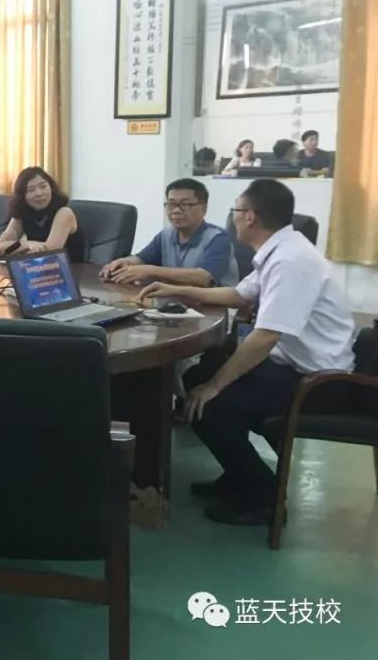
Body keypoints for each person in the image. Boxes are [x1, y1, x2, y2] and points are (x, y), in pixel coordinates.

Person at [139, 179, 355, 526]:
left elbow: (265, 336)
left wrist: (216, 386)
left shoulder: (290, 261)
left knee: (211, 404)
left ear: (250, 216)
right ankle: (239, 475)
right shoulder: (280, 249)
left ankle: (265, 497)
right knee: (198, 375)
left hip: (316, 382)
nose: (233, 218)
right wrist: (174, 289)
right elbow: (239, 295)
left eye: (235, 211)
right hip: (293, 366)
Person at [100, 178, 236, 287]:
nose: (176, 210)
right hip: (176, 302)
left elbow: (204, 277)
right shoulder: (166, 235)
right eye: (171, 204)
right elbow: (140, 259)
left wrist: (149, 271)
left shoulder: (217, 238)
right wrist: (124, 263)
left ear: (204, 209)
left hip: (216, 308)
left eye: (185, 204)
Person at [0, 167, 84, 261]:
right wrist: (28, 244)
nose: (39, 193)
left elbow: (49, 252)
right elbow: (0, 248)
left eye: (43, 186)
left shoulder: (64, 213)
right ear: (22, 196)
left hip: (72, 268)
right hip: (38, 268)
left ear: (51, 188)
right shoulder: (22, 213)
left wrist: (18, 250)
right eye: (31, 190)